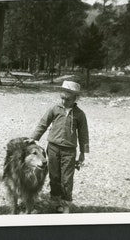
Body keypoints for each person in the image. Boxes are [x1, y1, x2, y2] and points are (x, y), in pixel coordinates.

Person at [29, 80, 89, 213]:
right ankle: (55, 202)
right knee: (54, 176)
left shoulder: (80, 114)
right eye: (62, 98)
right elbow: (43, 124)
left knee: (67, 179)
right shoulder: (54, 109)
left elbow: (84, 134)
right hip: (53, 148)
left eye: (67, 99)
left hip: (69, 151)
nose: (63, 101)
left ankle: (66, 203)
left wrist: (83, 153)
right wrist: (33, 138)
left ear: (75, 98)